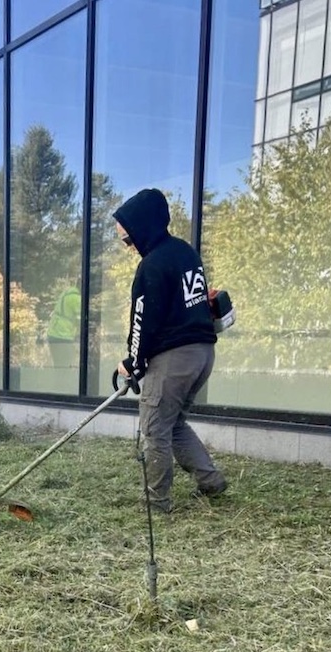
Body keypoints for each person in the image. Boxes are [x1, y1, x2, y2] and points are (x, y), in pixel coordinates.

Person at [113, 189, 227, 514]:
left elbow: (143, 320)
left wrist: (132, 363)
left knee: (154, 428)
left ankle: (156, 504)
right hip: (203, 353)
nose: (130, 247)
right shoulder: (185, 253)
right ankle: (211, 481)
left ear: (143, 228)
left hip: (175, 358)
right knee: (173, 423)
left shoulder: (152, 265)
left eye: (128, 240)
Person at [46, 285, 81, 369]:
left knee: (58, 365)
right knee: (66, 365)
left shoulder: (66, 293)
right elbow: (81, 319)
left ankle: (57, 381)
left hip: (52, 333)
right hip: (63, 335)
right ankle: (64, 381)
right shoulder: (76, 298)